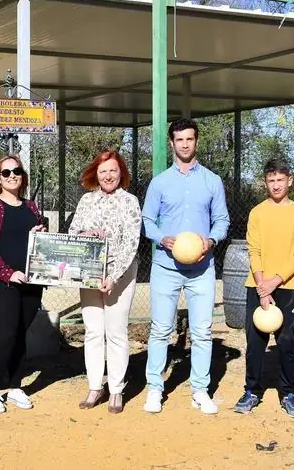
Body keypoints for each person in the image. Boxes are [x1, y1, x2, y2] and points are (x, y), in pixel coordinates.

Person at [142, 118, 230, 415]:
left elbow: (222, 220)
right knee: (160, 330)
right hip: (165, 267)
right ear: (172, 143)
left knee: (202, 331)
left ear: (197, 141)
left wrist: (211, 240)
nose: (184, 144)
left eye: (189, 139)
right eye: (179, 140)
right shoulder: (160, 182)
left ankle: (200, 390)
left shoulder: (212, 181)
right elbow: (147, 220)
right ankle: (155, 388)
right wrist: (161, 238)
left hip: (202, 269)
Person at [68, 151, 142, 414]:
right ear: (95, 175)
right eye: (103, 171)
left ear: (121, 172)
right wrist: (86, 233)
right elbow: (73, 233)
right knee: (93, 331)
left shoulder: (130, 202)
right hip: (89, 274)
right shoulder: (87, 200)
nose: (108, 176)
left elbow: (132, 243)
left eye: (113, 170)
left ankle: (117, 390)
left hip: (119, 275)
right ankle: (94, 386)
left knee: (116, 332)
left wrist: (113, 277)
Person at [234, 159, 294, 418]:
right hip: (257, 285)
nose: (276, 185)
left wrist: (274, 282)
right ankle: (252, 391)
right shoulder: (257, 213)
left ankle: (288, 393)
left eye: (280, 180)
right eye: (271, 180)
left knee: (287, 342)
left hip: (289, 286)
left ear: (290, 181)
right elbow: (254, 250)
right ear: (265, 183)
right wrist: (262, 286)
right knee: (255, 343)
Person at [0, 155, 45, 414]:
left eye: (16, 171)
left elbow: (37, 243)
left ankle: (15, 385)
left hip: (31, 281)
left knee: (20, 333)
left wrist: (40, 235)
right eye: (6, 173)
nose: (12, 176)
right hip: (3, 282)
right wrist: (7, 273)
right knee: (5, 334)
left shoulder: (31, 207)